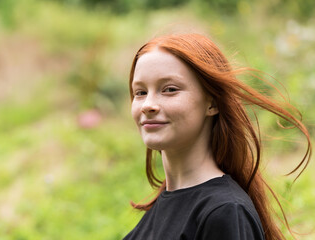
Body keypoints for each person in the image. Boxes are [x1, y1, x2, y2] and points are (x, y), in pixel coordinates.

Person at [123, 33, 312, 240]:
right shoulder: (163, 205)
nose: (148, 105)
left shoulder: (224, 212)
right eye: (140, 92)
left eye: (169, 89)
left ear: (212, 103)